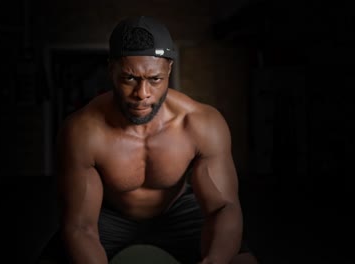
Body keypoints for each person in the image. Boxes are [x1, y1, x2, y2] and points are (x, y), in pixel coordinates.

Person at [54, 16, 259, 264]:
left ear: (169, 69)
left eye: (155, 79)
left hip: (177, 211)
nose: (142, 94)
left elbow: (223, 208)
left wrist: (214, 260)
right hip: (109, 215)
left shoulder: (201, 124)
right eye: (129, 78)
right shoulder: (82, 131)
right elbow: (81, 226)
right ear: (111, 70)